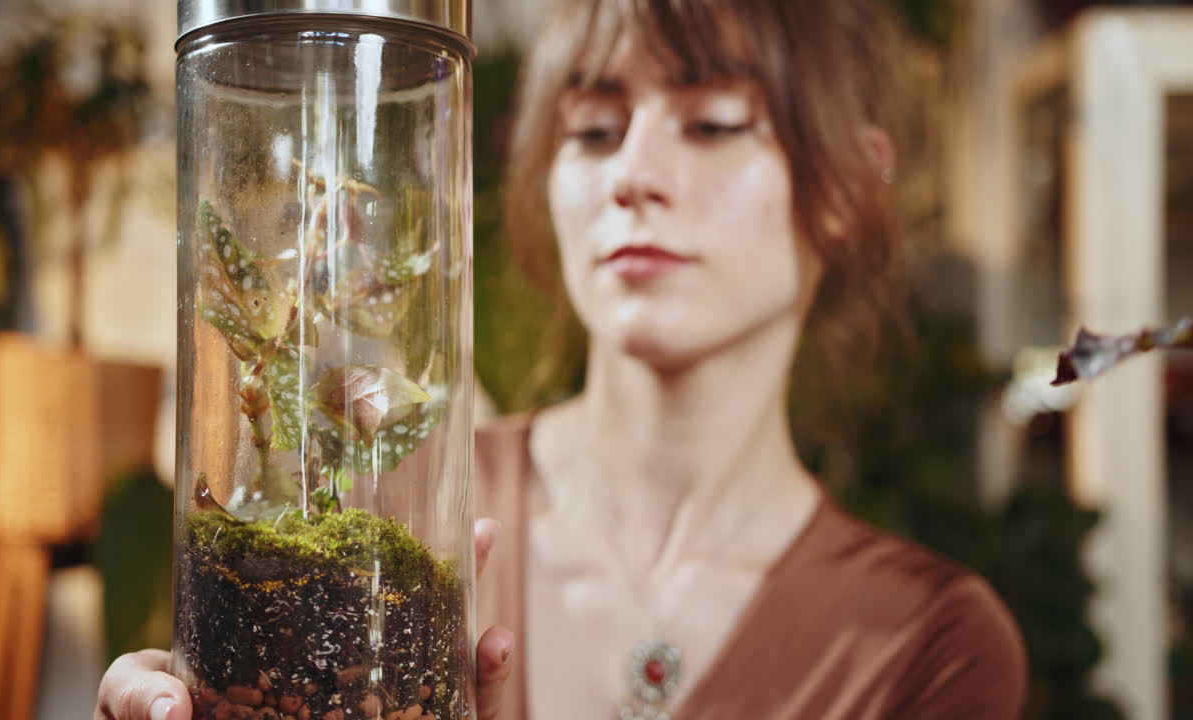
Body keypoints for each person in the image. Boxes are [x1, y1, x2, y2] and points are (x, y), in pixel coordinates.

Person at [97, 0, 1027, 718]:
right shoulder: (393, 518)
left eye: (714, 122)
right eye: (593, 130)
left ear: (847, 188)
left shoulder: (929, 642)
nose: (633, 173)